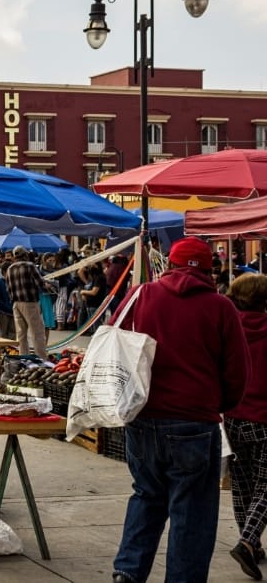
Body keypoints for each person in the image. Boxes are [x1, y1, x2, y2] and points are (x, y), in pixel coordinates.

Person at [110, 237, 250, 583]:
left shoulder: (141, 295)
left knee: (146, 495)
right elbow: (237, 373)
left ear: (169, 264)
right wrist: (218, 405)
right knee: (192, 511)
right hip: (194, 421)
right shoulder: (220, 308)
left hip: (142, 416)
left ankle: (127, 572)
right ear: (209, 269)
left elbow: (114, 341)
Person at [224, 273, 267, 579]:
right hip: (265, 417)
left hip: (233, 416)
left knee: (242, 484)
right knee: (266, 484)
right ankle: (248, 541)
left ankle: (251, 542)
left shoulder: (228, 327)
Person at [5, 246, 48, 358]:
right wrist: (48, 285)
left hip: (16, 304)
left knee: (21, 335)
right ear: (25, 255)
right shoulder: (30, 266)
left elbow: (8, 288)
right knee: (37, 333)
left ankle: (23, 358)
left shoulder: (10, 268)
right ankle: (41, 359)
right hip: (29, 303)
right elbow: (40, 283)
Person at [0, 260, 15, 339]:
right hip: (3, 312)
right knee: (3, 333)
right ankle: (3, 349)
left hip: (13, 311)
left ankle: (12, 350)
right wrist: (7, 308)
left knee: (13, 332)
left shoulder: (13, 283)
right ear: (3, 272)